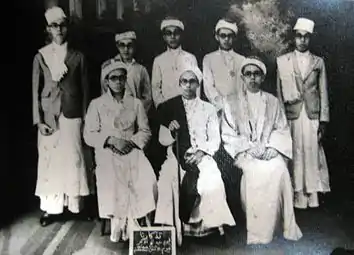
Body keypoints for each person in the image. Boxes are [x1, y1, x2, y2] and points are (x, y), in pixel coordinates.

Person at [222, 57, 302, 244]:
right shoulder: (231, 102)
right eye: (248, 74)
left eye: (256, 74)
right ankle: (259, 234)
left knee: (279, 169)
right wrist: (249, 148)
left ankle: (280, 227)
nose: (252, 78)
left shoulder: (273, 101)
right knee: (256, 173)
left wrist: (273, 148)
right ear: (242, 77)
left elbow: (281, 128)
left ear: (262, 77)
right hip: (247, 153)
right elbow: (228, 134)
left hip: (268, 150)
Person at [154, 65, 235, 246]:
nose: (188, 85)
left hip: (203, 155)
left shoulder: (208, 108)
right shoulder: (169, 107)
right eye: (184, 81)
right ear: (179, 84)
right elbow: (162, 139)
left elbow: (214, 138)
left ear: (198, 84)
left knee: (211, 179)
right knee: (168, 179)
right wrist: (170, 128)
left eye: (192, 82)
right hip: (176, 155)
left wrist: (200, 153)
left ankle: (210, 228)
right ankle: (173, 229)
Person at [84, 61, 157, 243]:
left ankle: (138, 220)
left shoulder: (136, 103)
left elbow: (145, 131)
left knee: (145, 176)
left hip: (131, 149)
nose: (117, 82)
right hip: (108, 151)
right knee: (112, 175)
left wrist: (131, 143)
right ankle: (120, 225)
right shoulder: (97, 104)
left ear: (126, 80)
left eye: (121, 78)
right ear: (106, 81)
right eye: (113, 78)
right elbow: (89, 135)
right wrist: (110, 140)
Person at [32, 6, 90, 226]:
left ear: (68, 28)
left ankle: (75, 206)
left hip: (72, 113)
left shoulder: (78, 57)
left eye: (62, 25)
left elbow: (84, 90)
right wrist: (38, 120)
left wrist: (84, 118)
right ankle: (51, 208)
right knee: (50, 161)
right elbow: (35, 91)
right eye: (54, 25)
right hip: (49, 115)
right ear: (48, 29)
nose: (59, 29)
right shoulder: (40, 57)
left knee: (73, 159)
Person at [276, 18, 330, 209]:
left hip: (312, 114)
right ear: (294, 37)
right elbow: (279, 92)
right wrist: (280, 118)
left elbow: (323, 91)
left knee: (311, 151)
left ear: (310, 39)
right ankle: (296, 195)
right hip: (293, 114)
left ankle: (312, 196)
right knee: (296, 152)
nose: (302, 40)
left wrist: (323, 120)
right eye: (299, 36)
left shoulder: (318, 62)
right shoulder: (283, 61)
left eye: (306, 37)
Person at [100, 29, 152, 114]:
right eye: (122, 45)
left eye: (129, 45)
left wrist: (138, 112)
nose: (126, 49)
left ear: (134, 46)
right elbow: (104, 92)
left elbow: (147, 97)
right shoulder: (108, 66)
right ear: (117, 46)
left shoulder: (141, 69)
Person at [151, 16, 199, 108]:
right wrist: (163, 108)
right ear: (164, 37)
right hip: (167, 107)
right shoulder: (159, 60)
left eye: (176, 33)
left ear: (181, 35)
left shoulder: (190, 58)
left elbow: (196, 85)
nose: (172, 37)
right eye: (169, 33)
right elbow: (156, 88)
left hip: (188, 107)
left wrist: (194, 107)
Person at [202, 18, 245, 113]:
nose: (226, 39)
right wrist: (221, 106)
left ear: (234, 38)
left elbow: (243, 87)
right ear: (217, 37)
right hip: (217, 109)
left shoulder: (242, 60)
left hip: (238, 109)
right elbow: (208, 87)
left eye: (230, 36)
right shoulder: (209, 58)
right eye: (223, 36)